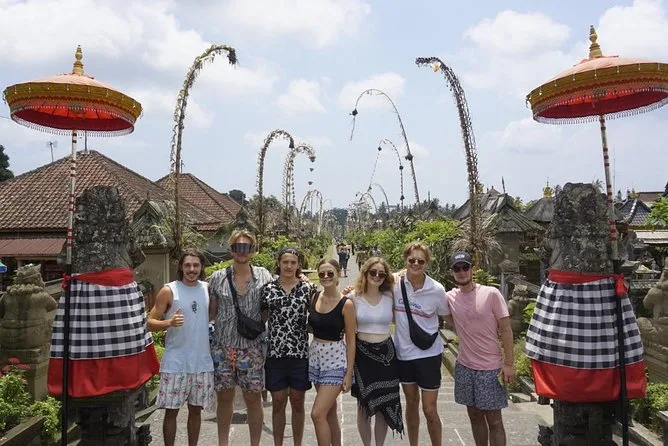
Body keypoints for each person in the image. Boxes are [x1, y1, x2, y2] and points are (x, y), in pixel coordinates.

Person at [208, 230, 274, 446]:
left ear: (253, 250)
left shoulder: (264, 276)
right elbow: (211, 313)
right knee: (224, 398)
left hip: (252, 347)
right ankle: (222, 443)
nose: (242, 252)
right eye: (238, 247)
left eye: (246, 247)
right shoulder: (218, 278)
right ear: (231, 250)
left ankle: (255, 443)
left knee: (253, 399)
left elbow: (275, 299)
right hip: (223, 347)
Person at [446, 252, 515, 446]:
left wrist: (509, 363)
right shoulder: (449, 297)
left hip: (490, 368)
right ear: (452, 272)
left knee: (494, 420)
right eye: (457, 268)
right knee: (474, 416)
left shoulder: (491, 294)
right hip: (465, 367)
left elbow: (506, 329)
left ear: (473, 269)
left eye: (465, 267)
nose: (461, 272)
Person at [148, 248, 214, 446]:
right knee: (171, 412)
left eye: (195, 265)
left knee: (196, 412)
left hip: (202, 363)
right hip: (176, 363)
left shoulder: (208, 289)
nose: (192, 269)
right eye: (187, 265)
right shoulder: (169, 290)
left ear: (201, 267)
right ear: (181, 267)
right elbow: (149, 323)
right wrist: (169, 323)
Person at [393, 242, 450, 446]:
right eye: (412, 260)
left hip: (428, 355)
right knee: (411, 403)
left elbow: (448, 316)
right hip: (404, 354)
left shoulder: (436, 289)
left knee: (429, 408)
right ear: (405, 260)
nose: (416, 264)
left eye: (421, 261)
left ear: (427, 263)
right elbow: (369, 282)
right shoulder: (394, 284)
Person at [261, 247, 317, 446]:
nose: (289, 266)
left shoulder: (308, 289)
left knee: (297, 401)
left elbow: (319, 315)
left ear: (298, 265)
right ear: (279, 263)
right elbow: (261, 319)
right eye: (285, 262)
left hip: (299, 353)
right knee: (277, 402)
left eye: (293, 262)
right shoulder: (268, 289)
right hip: (275, 354)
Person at [349, 256, 404, 445]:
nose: (377, 276)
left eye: (381, 274)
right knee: (363, 407)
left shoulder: (390, 295)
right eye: (373, 272)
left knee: (384, 406)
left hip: (386, 355)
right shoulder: (353, 297)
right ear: (365, 273)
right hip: (363, 356)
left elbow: (404, 275)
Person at [308, 259, 356, 446]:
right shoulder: (314, 297)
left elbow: (350, 340)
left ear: (338, 275)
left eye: (330, 273)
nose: (326, 277)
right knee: (329, 412)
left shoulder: (346, 304)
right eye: (322, 274)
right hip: (316, 357)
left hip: (335, 359)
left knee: (317, 414)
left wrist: (349, 373)